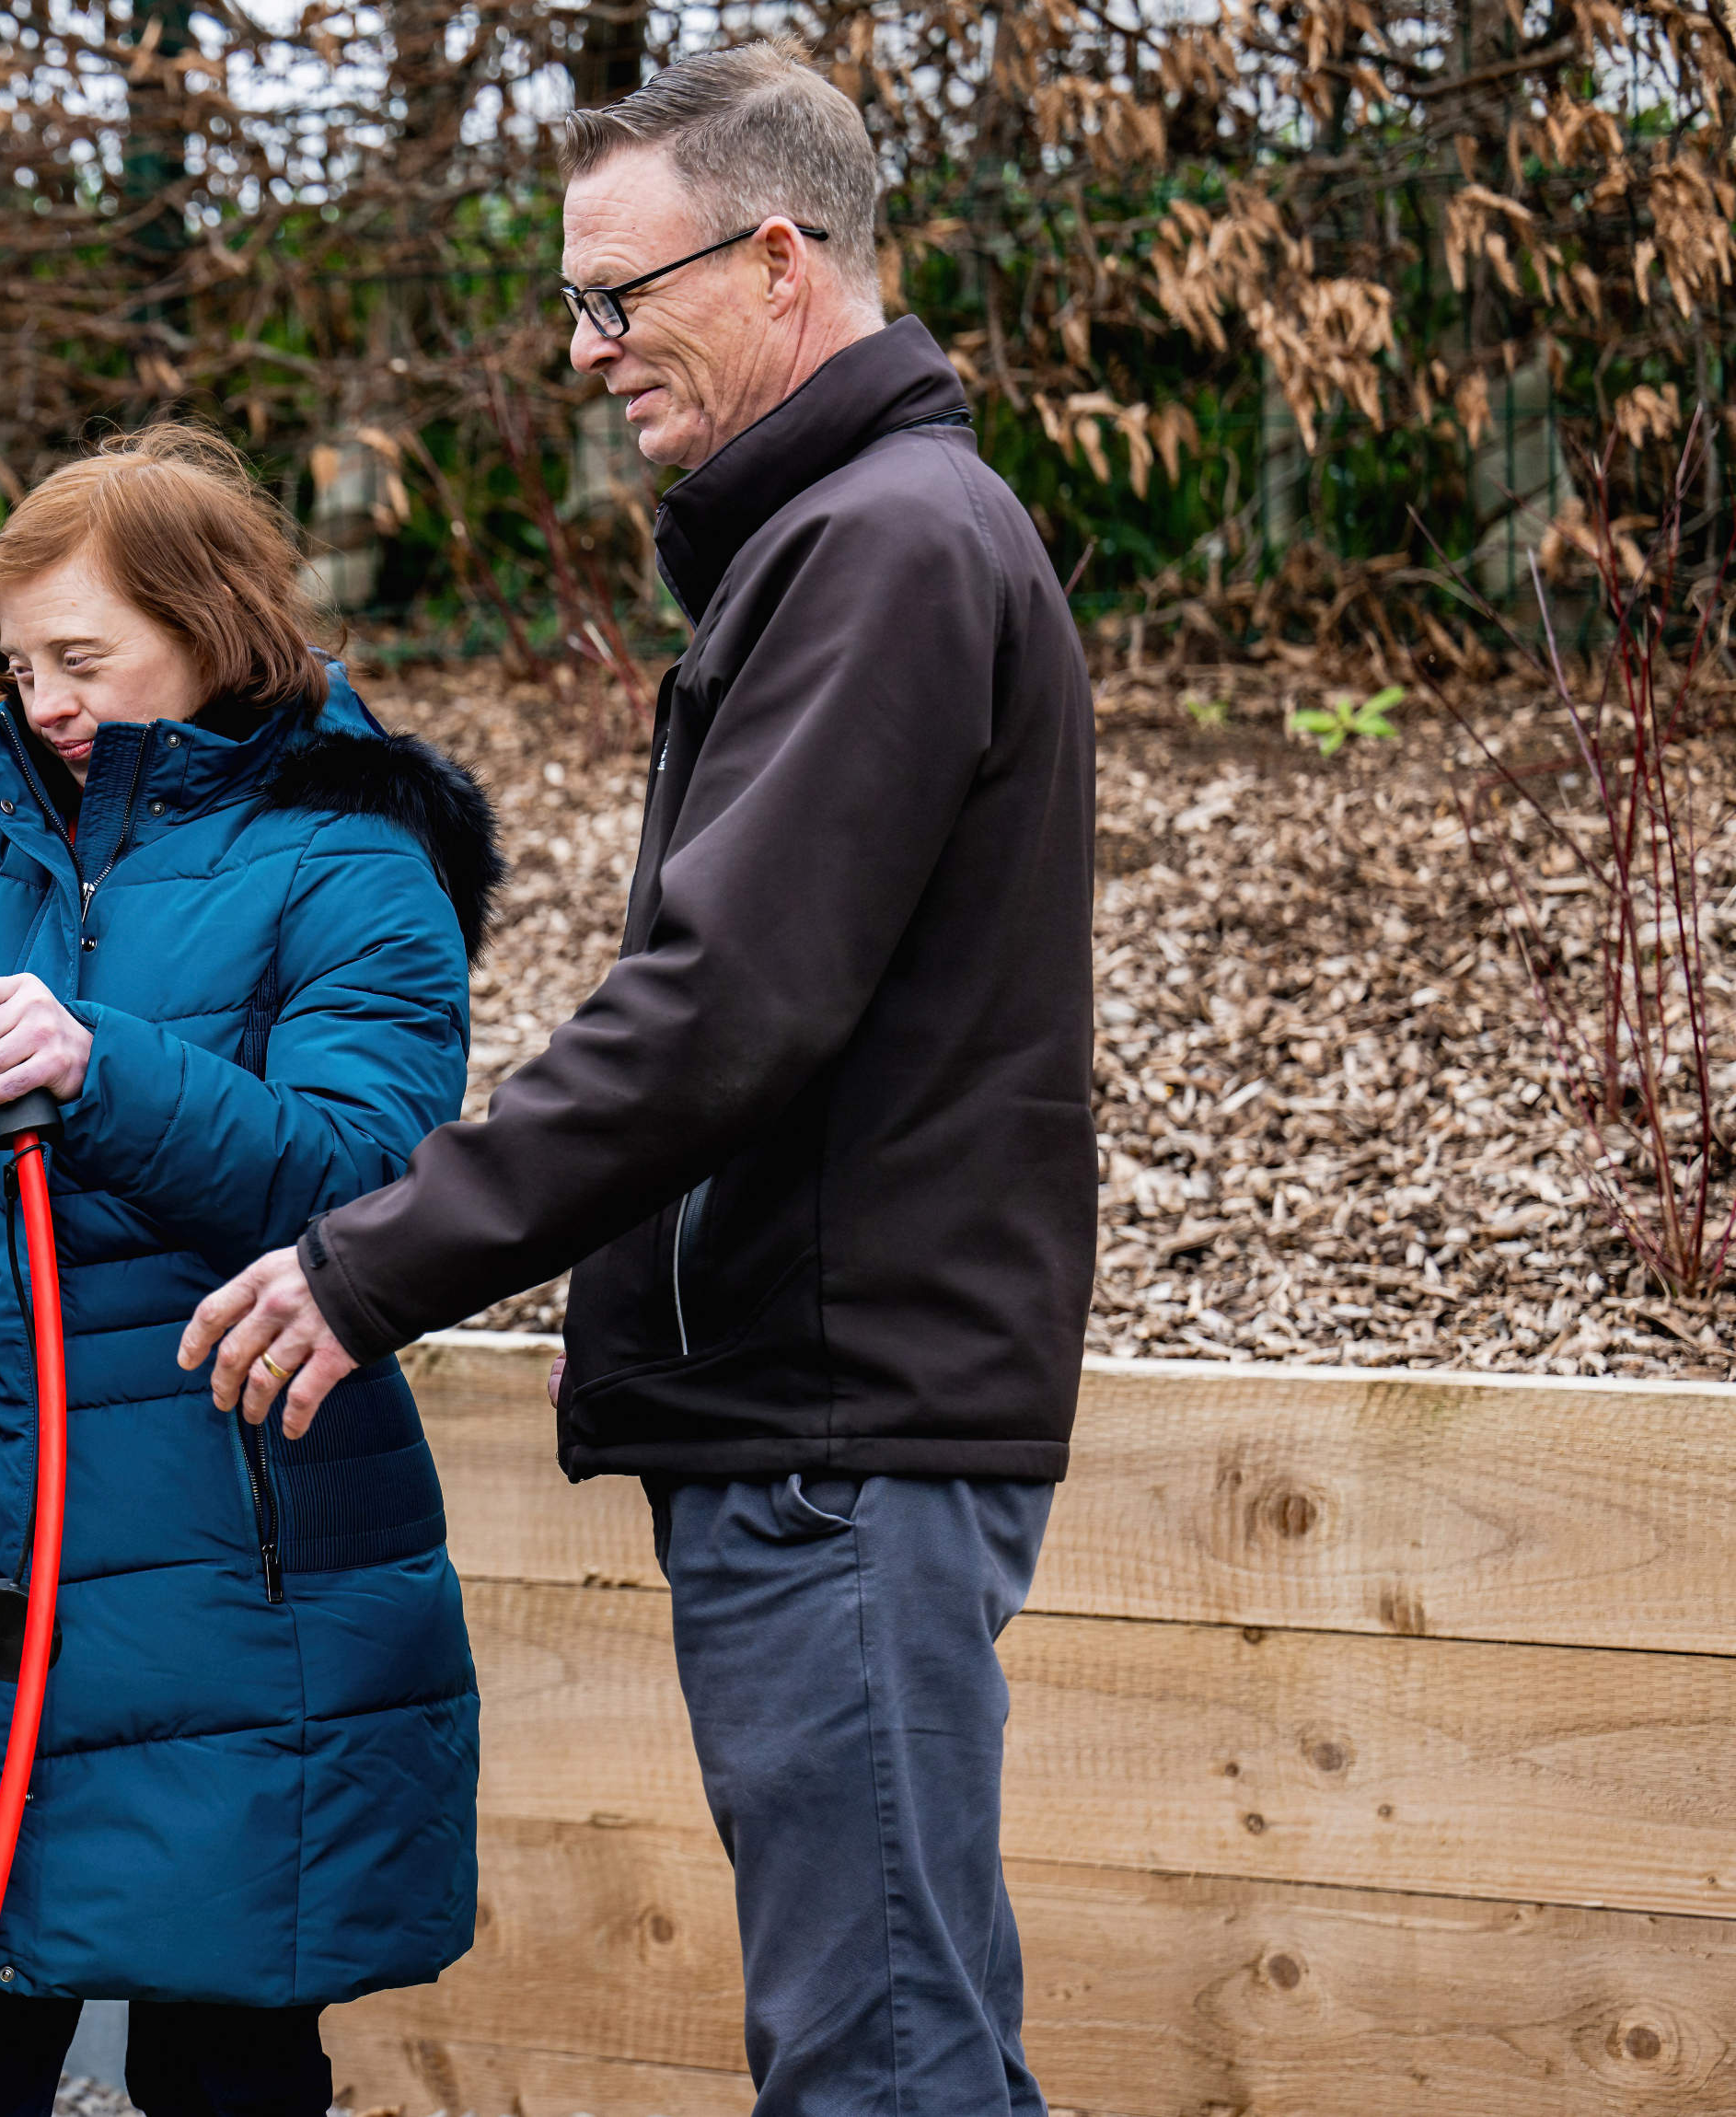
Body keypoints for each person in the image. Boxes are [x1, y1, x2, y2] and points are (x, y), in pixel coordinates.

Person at [183, 41, 1096, 2117]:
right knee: (888, 2030)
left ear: (777, 260)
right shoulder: (851, 535)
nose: (585, 349)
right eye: (573, 302)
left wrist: (366, 1265)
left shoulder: (880, 548)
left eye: (619, 295)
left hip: (841, 1426)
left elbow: (719, 1011)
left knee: (881, 2058)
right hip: (820, 1417)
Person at [0, 424, 504, 2117]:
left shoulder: (351, 864)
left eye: (83, 658)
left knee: (225, 2073)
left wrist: (96, 1069)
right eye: (20, 662)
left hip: (233, 1595)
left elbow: (360, 1180)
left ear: (212, 620)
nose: (43, 702)